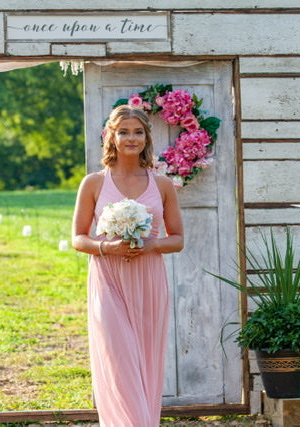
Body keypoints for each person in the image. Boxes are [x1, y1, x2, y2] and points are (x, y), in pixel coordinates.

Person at [71, 104, 184, 426]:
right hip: (108, 277)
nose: (130, 138)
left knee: (145, 360)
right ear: (111, 136)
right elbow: (78, 238)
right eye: (123, 132)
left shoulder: (161, 184)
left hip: (148, 279)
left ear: (146, 137)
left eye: (138, 132)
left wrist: (153, 244)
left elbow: (177, 239)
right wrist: (107, 247)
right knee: (117, 358)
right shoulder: (93, 183)